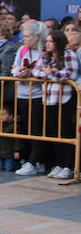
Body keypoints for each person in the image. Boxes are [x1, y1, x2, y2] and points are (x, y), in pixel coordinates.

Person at [31, 30, 78, 180]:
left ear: (58, 42)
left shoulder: (69, 54)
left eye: (50, 41)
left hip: (64, 99)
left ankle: (68, 166)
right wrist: (49, 73)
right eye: (47, 41)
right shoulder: (45, 56)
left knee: (65, 133)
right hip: (48, 99)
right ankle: (58, 164)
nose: (47, 44)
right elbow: (36, 72)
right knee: (54, 134)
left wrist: (52, 74)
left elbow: (71, 74)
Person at [12, 21, 48, 176]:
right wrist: (20, 73)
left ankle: (35, 161)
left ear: (36, 37)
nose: (24, 39)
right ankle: (34, 160)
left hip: (38, 95)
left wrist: (32, 74)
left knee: (37, 129)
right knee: (27, 129)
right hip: (22, 94)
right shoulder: (22, 49)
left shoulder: (44, 52)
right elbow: (13, 69)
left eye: (27, 36)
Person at [0, 104, 23, 172]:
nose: (0, 117)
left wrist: (17, 151)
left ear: (11, 116)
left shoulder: (14, 126)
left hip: (9, 153)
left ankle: (21, 163)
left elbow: (17, 140)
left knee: (8, 169)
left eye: (3, 114)